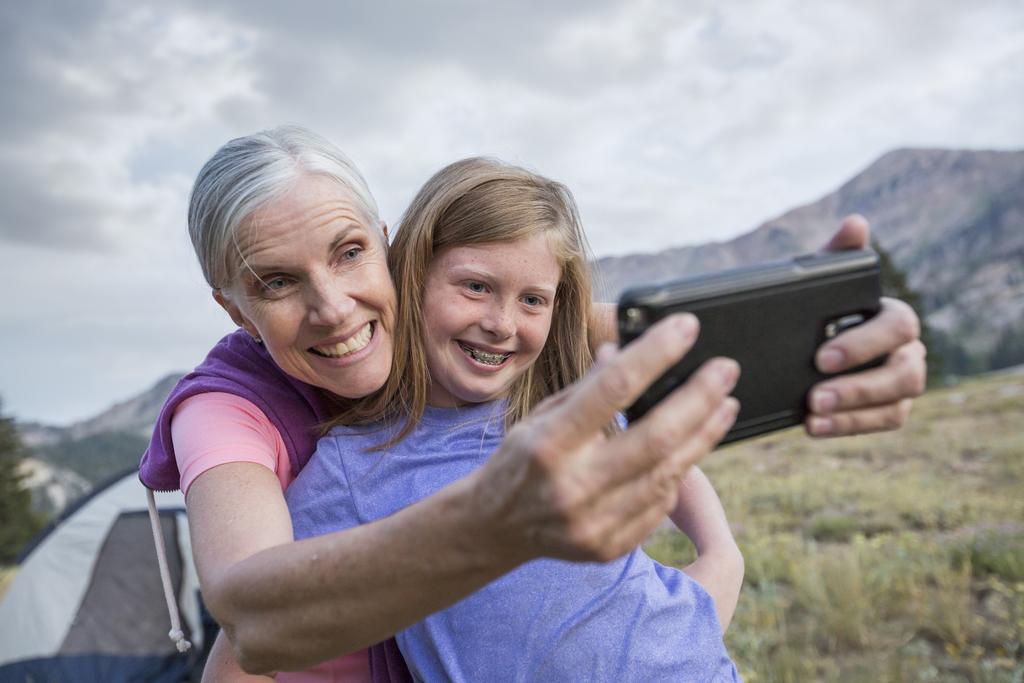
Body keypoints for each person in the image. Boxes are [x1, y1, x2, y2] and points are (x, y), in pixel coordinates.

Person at [137, 126, 926, 679]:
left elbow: (575, 329)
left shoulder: (535, 367)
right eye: (276, 281)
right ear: (234, 305)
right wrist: (501, 518)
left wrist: (723, 551)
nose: (337, 308)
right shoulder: (236, 414)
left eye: (350, 254)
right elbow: (250, 619)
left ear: (388, 249)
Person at [285, 157, 744, 681]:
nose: (502, 325)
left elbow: (668, 454)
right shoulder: (355, 462)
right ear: (414, 277)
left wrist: (722, 555)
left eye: (532, 300)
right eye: (476, 287)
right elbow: (264, 628)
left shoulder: (568, 406)